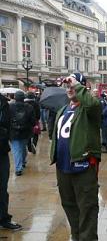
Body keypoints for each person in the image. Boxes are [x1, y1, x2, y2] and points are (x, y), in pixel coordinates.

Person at [50, 73, 101, 241]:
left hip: (83, 166)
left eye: (73, 86)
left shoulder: (89, 108)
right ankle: (77, 236)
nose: (70, 89)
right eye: (68, 86)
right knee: (69, 206)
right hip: (63, 167)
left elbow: (93, 105)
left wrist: (77, 85)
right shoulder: (63, 110)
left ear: (82, 87)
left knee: (87, 208)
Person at [0, 94, 22, 230]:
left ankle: (3, 217)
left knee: (2, 187)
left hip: (1, 151)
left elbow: (8, 124)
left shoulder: (3, 102)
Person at [9, 91, 35, 176]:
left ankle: (18, 168)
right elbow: (33, 121)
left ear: (15, 97)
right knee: (23, 148)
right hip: (25, 132)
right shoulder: (29, 107)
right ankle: (22, 162)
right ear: (23, 98)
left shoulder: (10, 107)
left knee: (16, 150)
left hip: (13, 132)